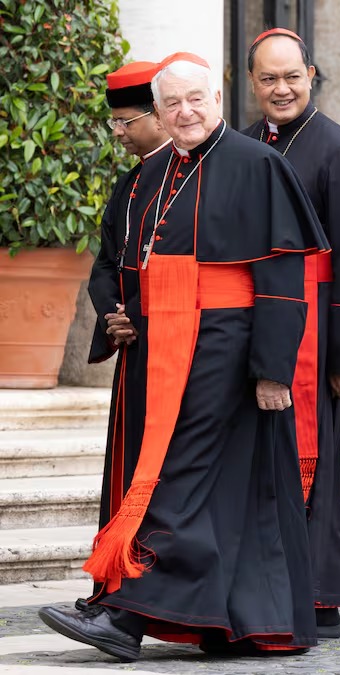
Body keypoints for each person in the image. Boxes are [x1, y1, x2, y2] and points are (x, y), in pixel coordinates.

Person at [36, 52, 329, 661]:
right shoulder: (151, 173)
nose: (185, 112)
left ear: (218, 100)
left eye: (195, 99)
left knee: (180, 481)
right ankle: (228, 622)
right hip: (161, 349)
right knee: (209, 488)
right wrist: (123, 314)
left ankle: (126, 616)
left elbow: (281, 279)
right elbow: (129, 261)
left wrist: (274, 370)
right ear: (160, 113)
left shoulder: (258, 165)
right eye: (172, 104)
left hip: (226, 347)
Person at [241, 27, 340, 639]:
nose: (281, 88)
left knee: (314, 469)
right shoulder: (242, 145)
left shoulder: (338, 150)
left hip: (315, 335)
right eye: (268, 78)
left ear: (312, 75)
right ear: (250, 84)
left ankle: (316, 597)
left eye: (291, 76)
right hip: (256, 327)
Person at [79, 61, 172, 613]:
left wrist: (139, 313)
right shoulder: (131, 180)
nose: (118, 132)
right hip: (134, 348)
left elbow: (187, 265)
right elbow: (108, 262)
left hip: (173, 347)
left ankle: (141, 591)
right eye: (112, 122)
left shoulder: (188, 174)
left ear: (159, 116)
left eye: (126, 121)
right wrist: (115, 312)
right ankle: (112, 585)